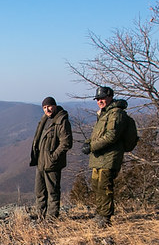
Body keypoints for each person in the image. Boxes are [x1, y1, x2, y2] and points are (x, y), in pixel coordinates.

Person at [81, 86, 129, 228]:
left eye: (102, 98)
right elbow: (98, 134)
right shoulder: (104, 113)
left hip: (109, 157)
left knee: (105, 187)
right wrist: (88, 143)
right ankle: (100, 213)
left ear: (110, 97)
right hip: (99, 157)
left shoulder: (116, 114)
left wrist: (91, 146)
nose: (99, 101)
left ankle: (105, 218)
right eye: (97, 99)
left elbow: (111, 136)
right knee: (96, 185)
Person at [29, 96, 73, 220]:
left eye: (49, 106)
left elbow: (66, 143)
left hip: (52, 164)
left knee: (52, 192)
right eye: (44, 107)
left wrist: (53, 158)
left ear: (54, 106)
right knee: (40, 191)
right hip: (41, 162)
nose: (47, 109)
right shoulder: (45, 120)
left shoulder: (61, 121)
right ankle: (40, 215)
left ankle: (52, 217)